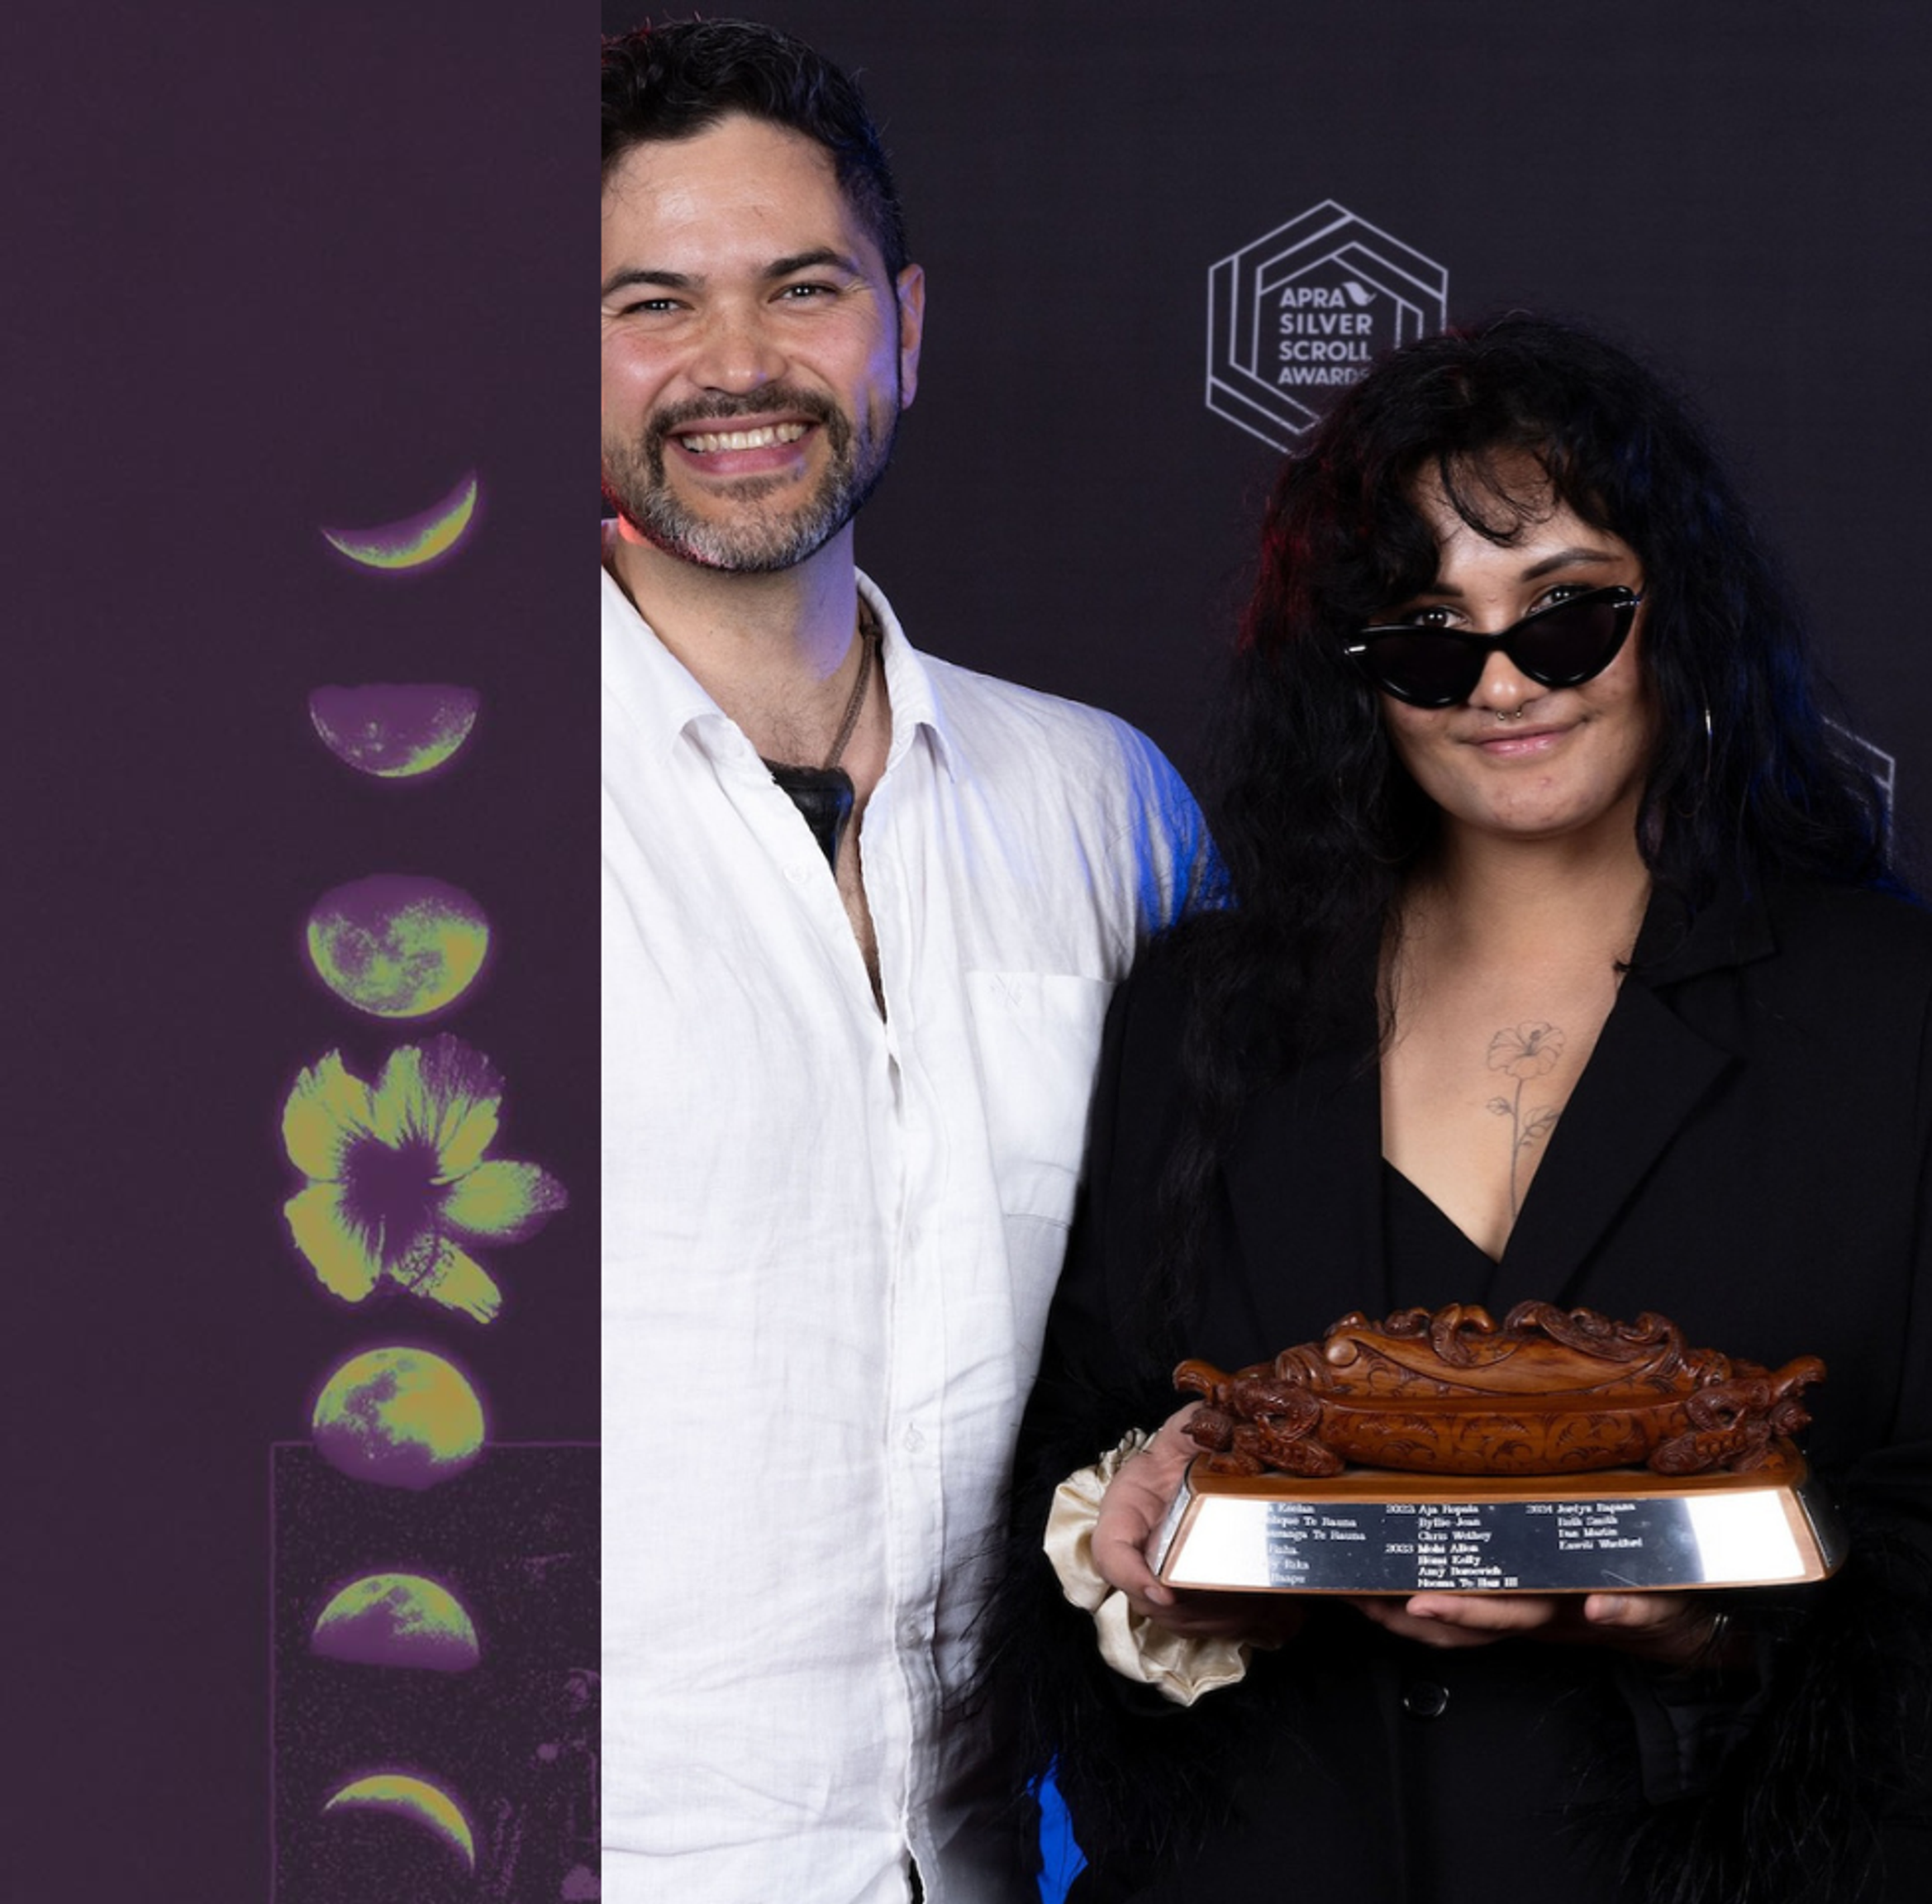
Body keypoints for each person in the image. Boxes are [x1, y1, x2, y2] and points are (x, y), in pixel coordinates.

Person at [978, 315, 1932, 1903]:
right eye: (1430, 636)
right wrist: (1141, 1559)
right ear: (1357, 678)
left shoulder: (1925, 1024)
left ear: (1678, 614)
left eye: (1569, 616)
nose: (1503, 682)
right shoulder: (1200, 1016)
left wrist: (1711, 1621)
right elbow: (1076, 1437)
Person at [597, 22, 1212, 1900]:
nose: (737, 369)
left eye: (802, 286)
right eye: (651, 303)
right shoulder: (391, 844)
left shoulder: (1105, 804)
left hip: (991, 1860)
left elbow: (1192, 1331)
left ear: (908, 322)